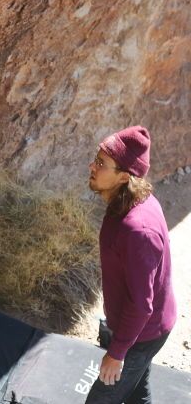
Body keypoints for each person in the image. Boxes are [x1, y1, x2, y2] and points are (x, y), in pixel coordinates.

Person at [85, 126, 177, 404]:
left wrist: (117, 352)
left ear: (124, 176)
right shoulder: (127, 201)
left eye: (102, 163)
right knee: (137, 393)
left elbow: (141, 304)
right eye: (96, 158)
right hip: (140, 328)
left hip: (142, 334)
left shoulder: (138, 230)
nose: (93, 166)